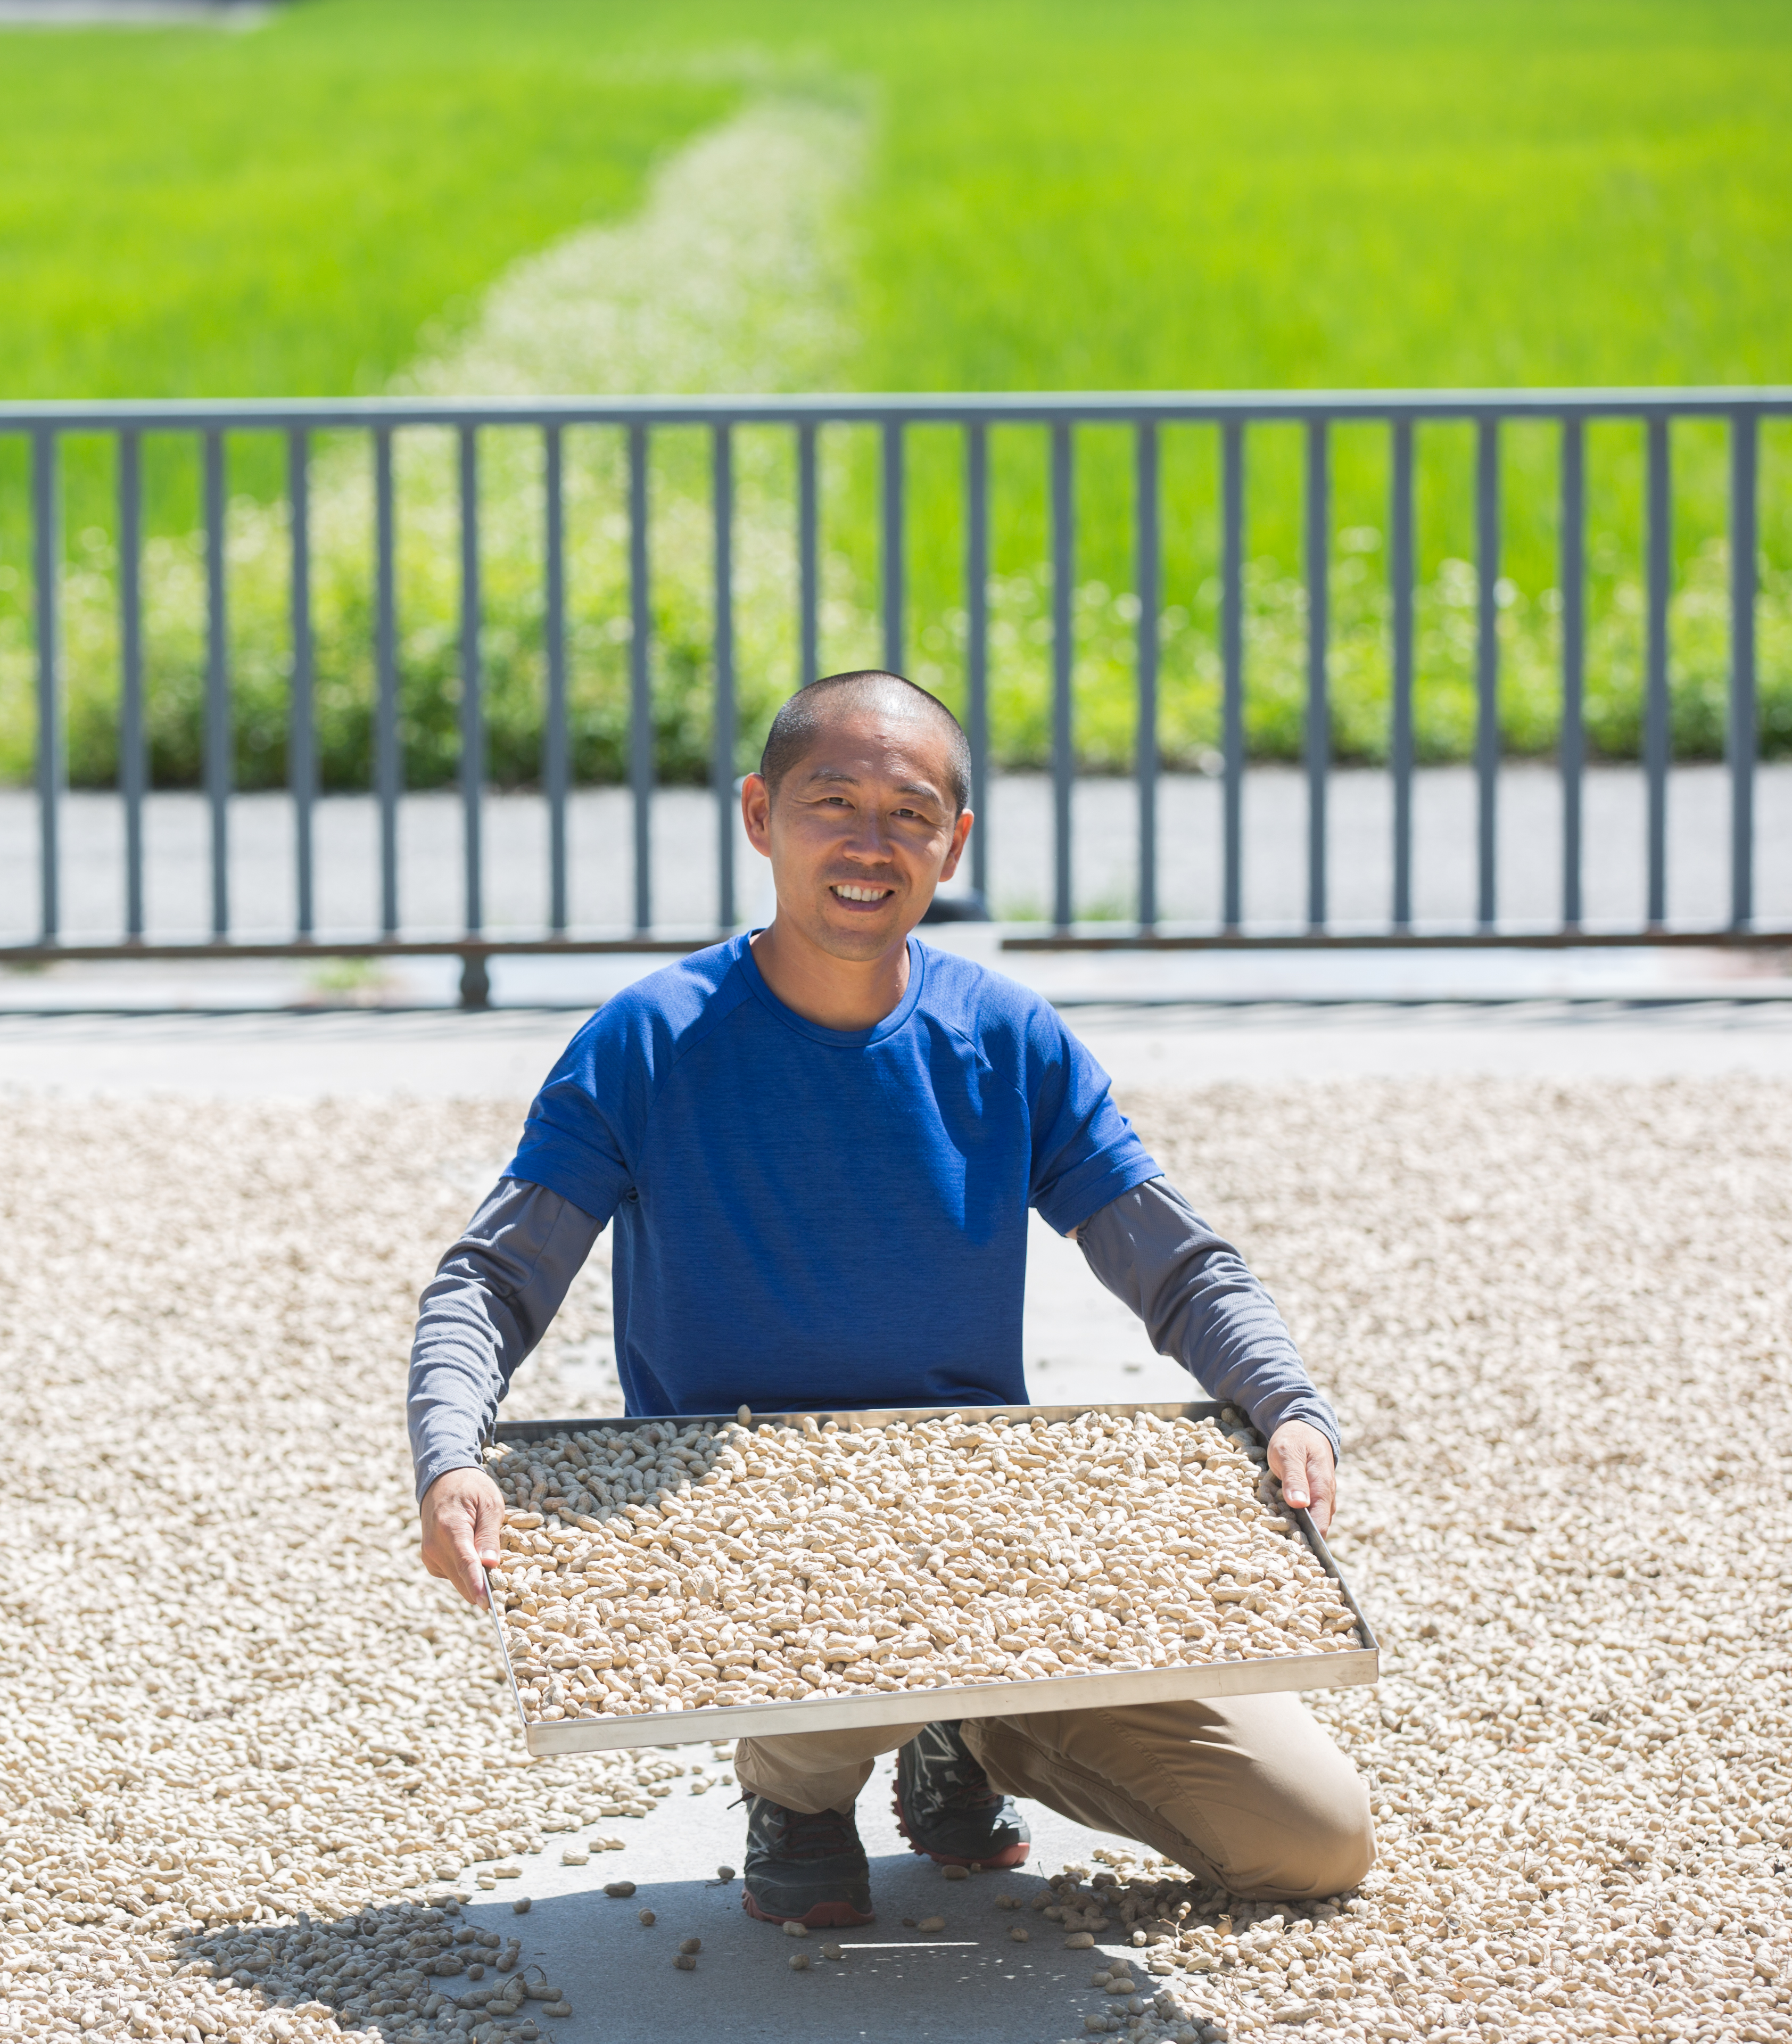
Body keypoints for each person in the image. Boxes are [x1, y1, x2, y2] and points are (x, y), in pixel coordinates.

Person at [404, 670, 1372, 1928]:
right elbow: (493, 1276)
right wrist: (449, 1454)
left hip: (984, 1528)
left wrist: (1285, 1403)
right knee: (821, 1832)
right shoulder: (650, 1040)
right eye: (833, 803)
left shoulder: (1007, 1039)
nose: (871, 844)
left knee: (1312, 1843)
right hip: (741, 1509)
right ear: (760, 815)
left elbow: (1176, 1261)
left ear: (954, 843)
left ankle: (963, 1729)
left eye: (911, 813)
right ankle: (800, 1796)